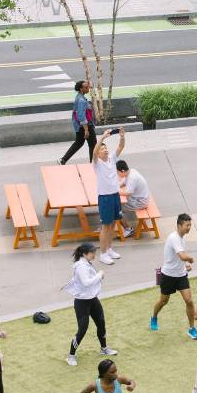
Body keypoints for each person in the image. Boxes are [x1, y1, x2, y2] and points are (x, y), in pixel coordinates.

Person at [64, 243, 116, 366]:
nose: (94, 255)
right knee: (82, 329)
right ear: (85, 254)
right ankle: (71, 355)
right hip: (82, 302)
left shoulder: (85, 263)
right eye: (92, 252)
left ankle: (104, 349)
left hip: (93, 299)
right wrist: (99, 275)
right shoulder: (81, 266)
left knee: (101, 323)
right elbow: (86, 283)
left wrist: (98, 277)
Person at [150, 214, 197, 339]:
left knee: (189, 300)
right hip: (168, 275)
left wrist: (185, 265)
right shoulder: (174, 238)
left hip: (181, 275)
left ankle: (192, 328)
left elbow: (178, 257)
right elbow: (183, 256)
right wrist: (190, 259)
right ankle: (154, 317)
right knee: (163, 301)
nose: (189, 228)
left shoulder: (182, 238)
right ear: (179, 225)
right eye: (187, 225)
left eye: (190, 225)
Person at [93, 128, 126, 265]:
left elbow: (120, 146)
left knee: (113, 225)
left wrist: (122, 136)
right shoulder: (97, 163)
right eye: (102, 149)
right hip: (105, 198)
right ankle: (103, 254)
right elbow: (94, 152)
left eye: (105, 148)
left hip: (114, 195)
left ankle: (109, 249)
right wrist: (102, 138)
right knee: (105, 227)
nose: (105, 150)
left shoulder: (112, 159)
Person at [59, 80, 97, 164]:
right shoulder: (81, 101)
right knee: (93, 144)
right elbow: (81, 116)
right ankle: (93, 164)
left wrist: (88, 83)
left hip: (79, 126)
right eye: (86, 87)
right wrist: (86, 130)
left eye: (88, 87)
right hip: (85, 126)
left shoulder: (79, 96)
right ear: (80, 89)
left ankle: (63, 160)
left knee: (79, 142)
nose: (88, 89)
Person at [115, 159, 151, 241]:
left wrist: (116, 191)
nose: (117, 174)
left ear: (122, 171)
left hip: (140, 202)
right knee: (117, 204)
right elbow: (123, 182)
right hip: (139, 198)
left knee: (116, 209)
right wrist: (116, 186)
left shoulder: (132, 178)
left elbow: (128, 192)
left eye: (118, 172)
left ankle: (128, 229)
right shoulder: (131, 171)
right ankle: (125, 227)